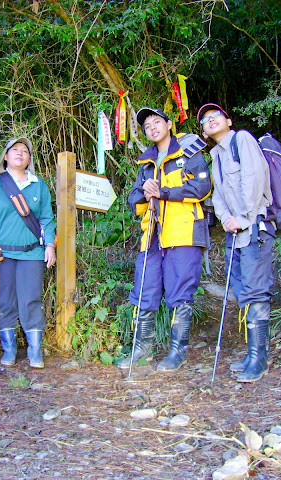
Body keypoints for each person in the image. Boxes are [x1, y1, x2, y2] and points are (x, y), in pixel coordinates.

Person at [119, 107, 211, 371]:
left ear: (169, 124)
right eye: (147, 126)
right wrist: (145, 194)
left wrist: (164, 191)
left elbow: (202, 187)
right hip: (152, 236)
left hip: (183, 232)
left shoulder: (188, 151)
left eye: (156, 122)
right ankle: (141, 350)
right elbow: (132, 199)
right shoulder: (146, 163)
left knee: (180, 291)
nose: (152, 128)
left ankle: (177, 352)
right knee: (144, 290)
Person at [197, 103, 274, 383]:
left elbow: (254, 179)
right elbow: (217, 194)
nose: (211, 121)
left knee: (256, 289)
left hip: (255, 227)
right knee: (241, 288)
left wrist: (243, 217)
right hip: (235, 232)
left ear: (228, 120)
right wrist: (226, 218)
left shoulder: (242, 139)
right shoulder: (216, 155)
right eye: (205, 120)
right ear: (204, 132)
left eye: (215, 116)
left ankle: (259, 357)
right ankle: (252, 352)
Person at [0, 137, 56, 369]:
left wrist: (50, 245)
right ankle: (9, 349)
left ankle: (35, 351)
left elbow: (46, 218)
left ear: (29, 158)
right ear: (5, 156)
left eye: (25, 151)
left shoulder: (38, 185)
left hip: (31, 253)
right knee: (4, 301)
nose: (20, 154)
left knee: (31, 299)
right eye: (15, 150)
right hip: (0, 254)